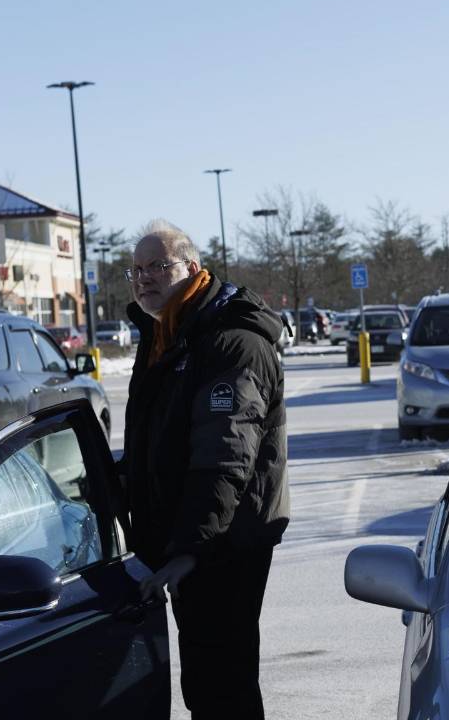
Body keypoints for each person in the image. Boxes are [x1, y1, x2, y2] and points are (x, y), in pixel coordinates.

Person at [123, 219, 289, 719]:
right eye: (137, 269)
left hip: (224, 543)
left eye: (158, 266)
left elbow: (225, 457)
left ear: (192, 268)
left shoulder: (231, 342)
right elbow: (158, 442)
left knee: (221, 685)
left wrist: (190, 549)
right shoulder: (167, 334)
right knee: (206, 679)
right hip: (190, 537)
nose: (144, 278)